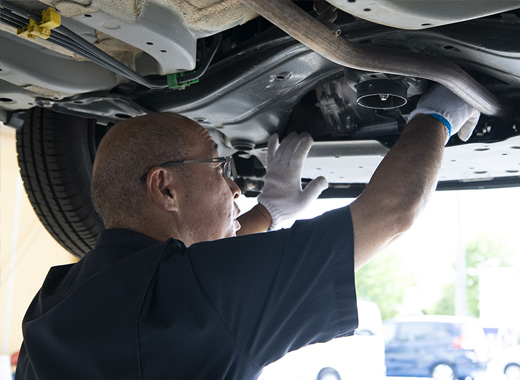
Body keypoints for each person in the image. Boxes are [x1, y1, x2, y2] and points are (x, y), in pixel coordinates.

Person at [15, 85, 480, 380]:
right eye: (219, 167)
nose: (235, 187)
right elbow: (393, 212)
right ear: (166, 187)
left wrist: (270, 211)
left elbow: (190, 274)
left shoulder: (55, 299)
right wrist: (438, 114)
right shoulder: (200, 293)